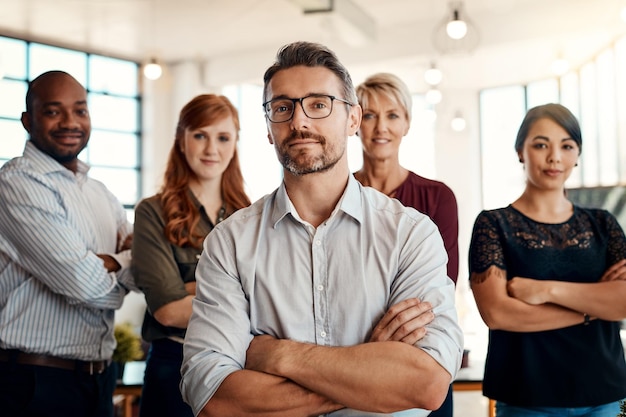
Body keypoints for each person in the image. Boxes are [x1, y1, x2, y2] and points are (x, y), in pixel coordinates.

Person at [181, 41, 463, 417]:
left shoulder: (411, 235)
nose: (299, 122)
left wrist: (277, 354)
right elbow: (213, 396)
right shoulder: (229, 243)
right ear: (268, 127)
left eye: (318, 104)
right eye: (283, 108)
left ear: (351, 119)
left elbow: (426, 384)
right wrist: (369, 370)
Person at [468, 103, 626, 417]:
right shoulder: (493, 225)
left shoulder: (603, 224)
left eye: (567, 146)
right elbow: (498, 313)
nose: (555, 157)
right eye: (541, 145)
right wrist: (593, 308)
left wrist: (547, 291)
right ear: (520, 151)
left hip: (605, 394)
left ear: (577, 155)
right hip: (527, 397)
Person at [0, 70, 136, 417]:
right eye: (53, 111)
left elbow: (144, 272)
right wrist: (120, 262)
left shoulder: (101, 194)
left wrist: (105, 262)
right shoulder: (16, 185)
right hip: (33, 382)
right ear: (28, 120)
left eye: (80, 110)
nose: (70, 122)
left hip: (99, 380)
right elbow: (84, 284)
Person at [132, 94, 250, 417]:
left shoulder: (249, 215)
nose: (212, 149)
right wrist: (238, 299)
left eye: (223, 137)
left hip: (240, 367)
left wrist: (192, 289)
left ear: (235, 143)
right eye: (200, 135)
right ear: (181, 141)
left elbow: (273, 298)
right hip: (174, 366)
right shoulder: (153, 212)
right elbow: (168, 311)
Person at [354, 72, 459, 417]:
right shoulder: (336, 197)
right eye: (369, 115)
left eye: (392, 115)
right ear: (354, 122)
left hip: (423, 357)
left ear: (407, 124)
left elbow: (437, 293)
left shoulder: (437, 197)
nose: (380, 127)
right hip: (350, 359)